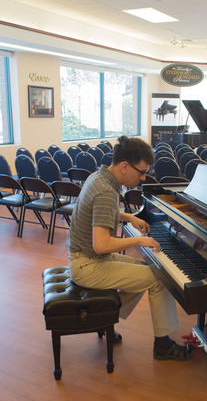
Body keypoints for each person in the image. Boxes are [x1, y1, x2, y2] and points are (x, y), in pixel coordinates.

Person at [67, 136, 193, 361]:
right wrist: (139, 241)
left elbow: (98, 213)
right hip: (88, 264)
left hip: (83, 259)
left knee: (151, 270)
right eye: (141, 172)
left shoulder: (98, 177)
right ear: (124, 166)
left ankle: (104, 318)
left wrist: (127, 218)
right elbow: (101, 245)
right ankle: (162, 344)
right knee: (159, 278)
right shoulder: (106, 191)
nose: (143, 178)